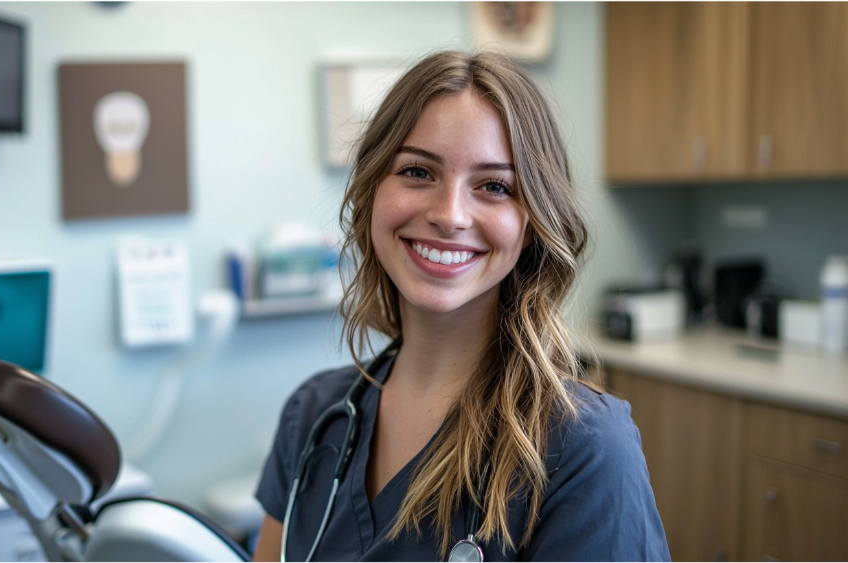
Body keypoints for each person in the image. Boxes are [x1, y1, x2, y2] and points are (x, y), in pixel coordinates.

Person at [252, 51, 670, 563]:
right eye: (417, 171)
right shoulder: (313, 416)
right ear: (371, 191)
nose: (450, 216)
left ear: (533, 223)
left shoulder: (585, 449)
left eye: (494, 186)